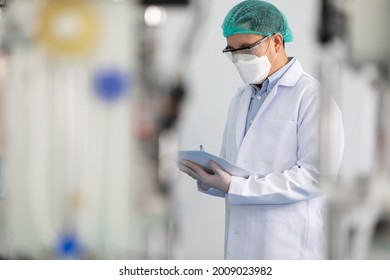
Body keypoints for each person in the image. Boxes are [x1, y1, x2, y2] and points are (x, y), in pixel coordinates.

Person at [179, 0, 344, 259]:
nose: (239, 58)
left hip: (289, 251)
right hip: (240, 250)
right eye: (232, 51)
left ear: (276, 42)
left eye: (246, 48)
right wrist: (207, 175)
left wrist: (236, 186)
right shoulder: (241, 98)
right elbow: (235, 170)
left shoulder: (312, 97)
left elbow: (316, 177)